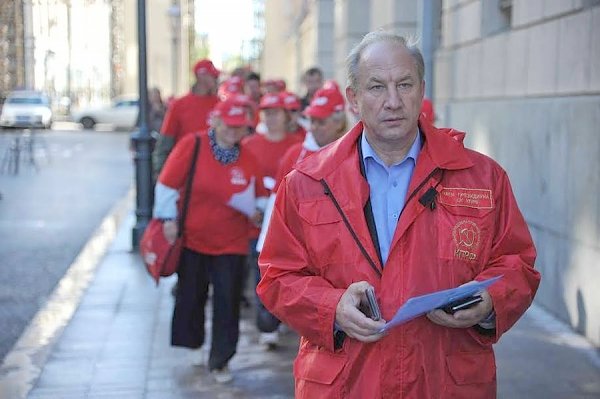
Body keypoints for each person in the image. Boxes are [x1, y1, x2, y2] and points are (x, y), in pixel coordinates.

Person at [256, 31, 541, 398]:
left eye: (404, 84)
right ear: (353, 100)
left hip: (444, 383)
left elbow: (518, 264)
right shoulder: (307, 183)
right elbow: (277, 276)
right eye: (376, 87)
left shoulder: (483, 177)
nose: (393, 101)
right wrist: (331, 306)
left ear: (421, 90)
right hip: (347, 384)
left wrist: (490, 303)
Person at [153, 97, 267, 384]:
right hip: (193, 239)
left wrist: (258, 211)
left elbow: (262, 198)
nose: (233, 131)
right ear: (216, 122)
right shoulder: (192, 145)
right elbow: (167, 183)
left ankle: (221, 360)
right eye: (228, 125)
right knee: (192, 296)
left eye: (239, 127)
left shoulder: (248, 157)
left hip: (231, 243)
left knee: (227, 302)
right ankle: (193, 342)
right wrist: (168, 219)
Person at [254, 81, 347, 346]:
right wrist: (265, 243)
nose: (315, 127)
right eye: (313, 121)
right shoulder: (296, 153)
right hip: (298, 240)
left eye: (322, 121)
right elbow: (276, 202)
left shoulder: (353, 153)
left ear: (338, 122)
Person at [152, 59, 220, 178]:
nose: (216, 80)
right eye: (213, 76)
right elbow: (165, 141)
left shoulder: (220, 105)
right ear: (201, 76)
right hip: (186, 168)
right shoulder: (179, 105)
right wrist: (160, 171)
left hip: (214, 168)